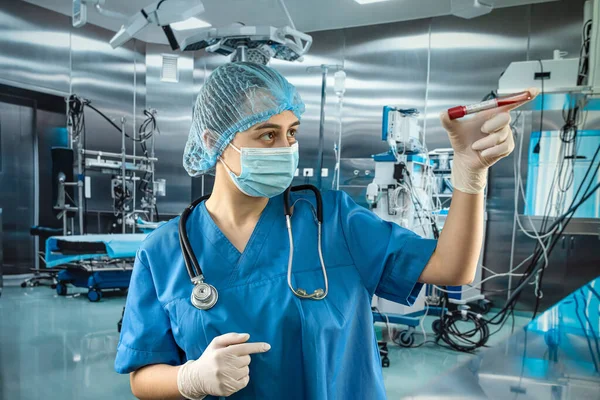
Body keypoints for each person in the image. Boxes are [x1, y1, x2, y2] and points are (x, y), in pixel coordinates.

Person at [115, 61, 536, 400]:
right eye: (267, 134)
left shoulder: (331, 219)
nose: (285, 149)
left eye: (291, 133)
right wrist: (190, 379)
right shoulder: (165, 250)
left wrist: (470, 173)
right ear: (213, 141)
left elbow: (452, 267)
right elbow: (143, 376)